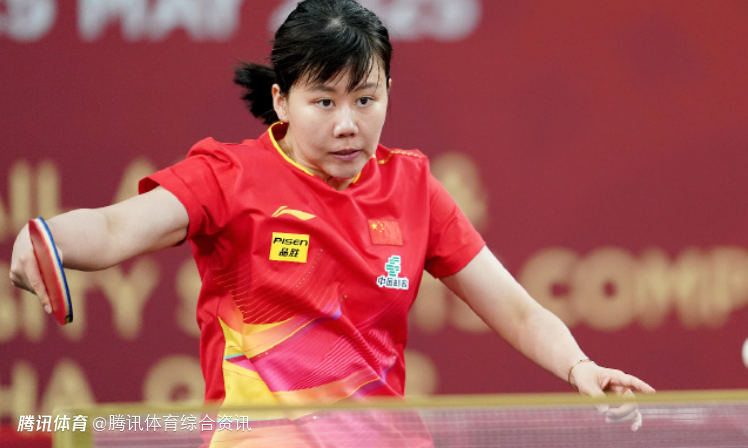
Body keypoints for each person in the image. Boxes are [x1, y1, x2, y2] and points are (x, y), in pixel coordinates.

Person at [10, 0, 654, 445]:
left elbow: (517, 311)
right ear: (281, 100)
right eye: (324, 102)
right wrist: (47, 240)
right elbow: (116, 230)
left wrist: (580, 368)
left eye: (366, 99)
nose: (348, 124)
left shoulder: (414, 188)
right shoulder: (229, 177)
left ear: (389, 92)